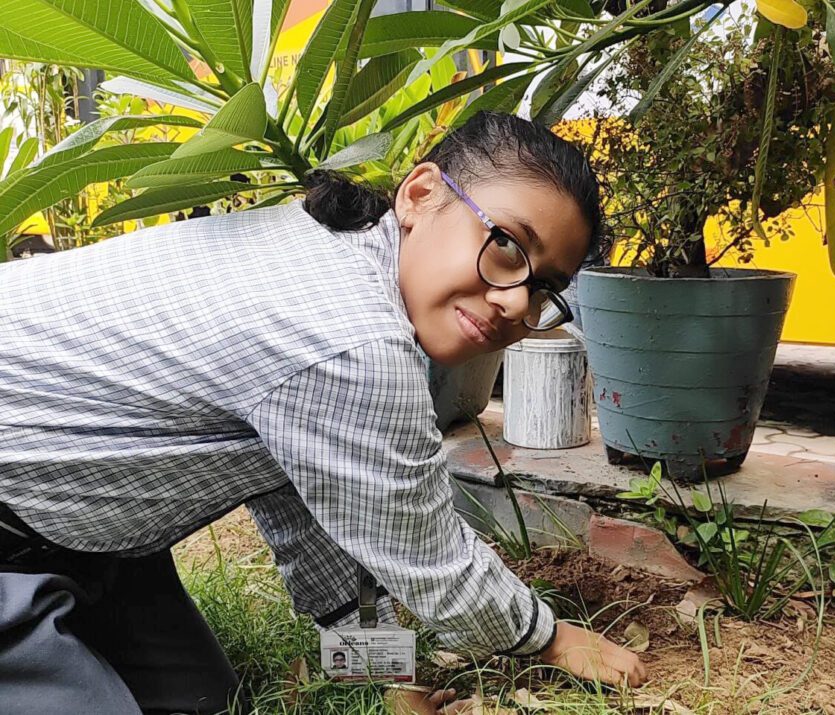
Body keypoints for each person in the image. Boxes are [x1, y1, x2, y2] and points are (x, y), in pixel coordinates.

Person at [0, 111, 647, 715]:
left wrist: (387, 680)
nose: (515, 301)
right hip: (15, 527)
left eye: (543, 288)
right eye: (507, 244)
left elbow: (306, 517)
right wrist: (551, 639)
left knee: (205, 698)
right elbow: (431, 560)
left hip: (76, 531)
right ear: (420, 194)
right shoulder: (354, 339)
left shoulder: (331, 255)